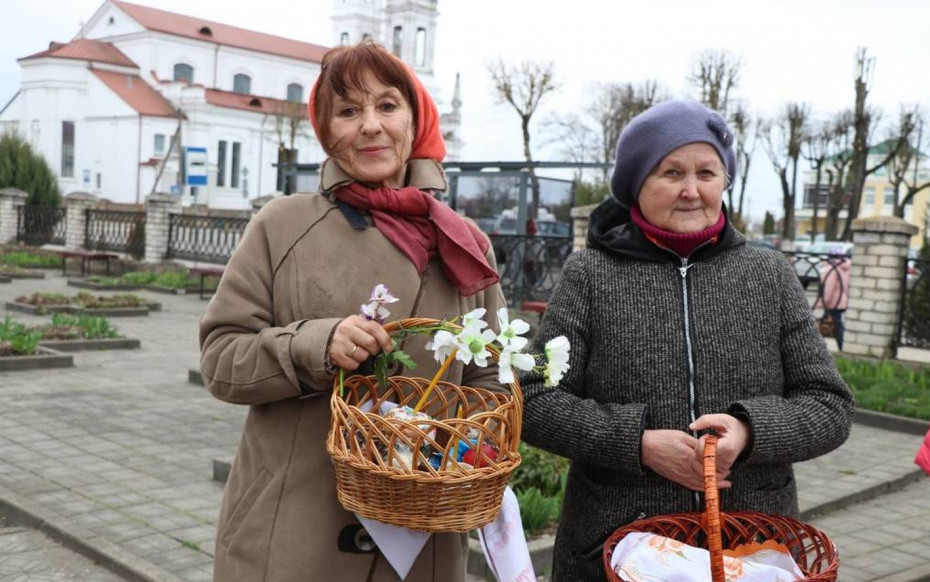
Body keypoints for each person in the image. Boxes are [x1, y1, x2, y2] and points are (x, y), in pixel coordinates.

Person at [199, 41, 506, 582]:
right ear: (326, 128)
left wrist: (467, 450)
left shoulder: (464, 242)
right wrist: (313, 345)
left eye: (387, 106)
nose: (370, 126)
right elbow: (221, 359)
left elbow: (492, 381)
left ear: (416, 118)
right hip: (290, 536)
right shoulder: (283, 226)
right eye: (348, 110)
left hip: (421, 547)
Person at [519, 100, 855, 581]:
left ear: (725, 181)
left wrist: (749, 431)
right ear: (638, 183)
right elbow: (532, 398)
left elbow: (830, 405)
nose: (692, 191)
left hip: (751, 550)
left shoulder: (769, 275)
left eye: (707, 172)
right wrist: (637, 443)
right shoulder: (590, 275)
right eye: (671, 172)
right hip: (615, 549)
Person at [815, 250, 851, 350]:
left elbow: (828, 289)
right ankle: (840, 346)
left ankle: (841, 347)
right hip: (841, 301)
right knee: (833, 324)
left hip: (832, 302)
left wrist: (821, 303)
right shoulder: (844, 268)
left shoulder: (831, 269)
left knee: (832, 325)